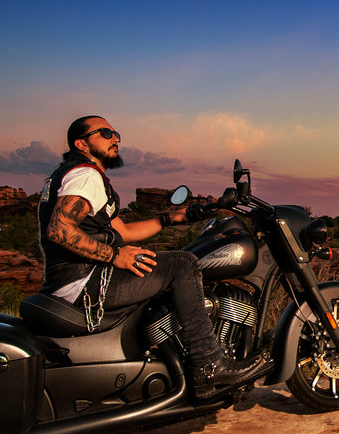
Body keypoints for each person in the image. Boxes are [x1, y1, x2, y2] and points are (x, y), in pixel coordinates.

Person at [37, 115, 265, 391]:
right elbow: (60, 230)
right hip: (84, 284)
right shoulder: (86, 175)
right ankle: (208, 364)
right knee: (183, 263)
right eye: (105, 133)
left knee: (158, 261)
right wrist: (115, 256)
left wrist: (170, 219)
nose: (116, 138)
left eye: (115, 133)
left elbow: (123, 231)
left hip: (77, 280)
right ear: (81, 144)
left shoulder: (75, 174)